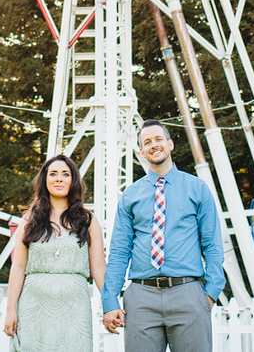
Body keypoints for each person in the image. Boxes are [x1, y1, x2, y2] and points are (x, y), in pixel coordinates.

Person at [101, 120, 225, 352]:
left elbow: (212, 245)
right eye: (147, 142)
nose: (153, 145)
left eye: (158, 139)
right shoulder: (131, 195)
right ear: (141, 151)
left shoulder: (197, 189)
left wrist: (211, 292)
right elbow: (119, 251)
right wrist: (109, 301)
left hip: (188, 294)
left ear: (170, 144)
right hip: (141, 298)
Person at [3, 154, 106, 352]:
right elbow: (18, 267)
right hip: (32, 311)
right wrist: (10, 311)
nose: (59, 178)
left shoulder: (88, 220)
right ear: (45, 180)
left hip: (75, 312)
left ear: (73, 181)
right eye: (53, 174)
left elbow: (99, 267)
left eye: (65, 174)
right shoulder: (29, 220)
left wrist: (110, 304)